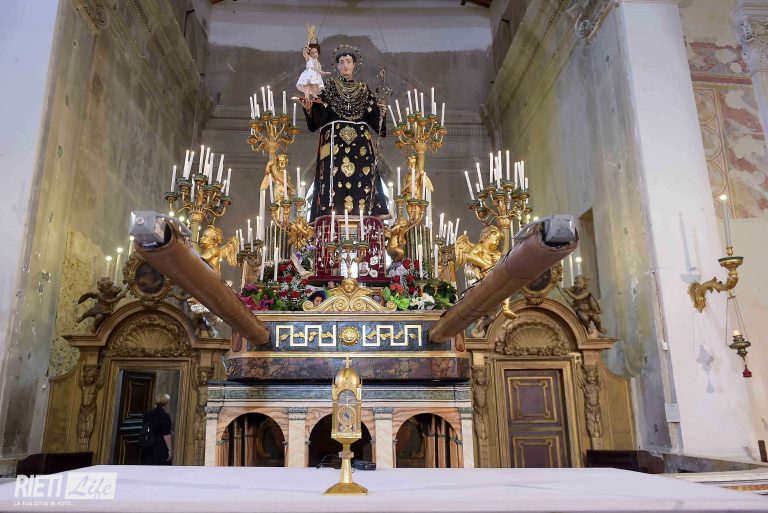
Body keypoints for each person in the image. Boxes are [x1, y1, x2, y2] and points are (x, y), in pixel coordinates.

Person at [299, 46, 389, 222]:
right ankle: (330, 212)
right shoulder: (329, 87)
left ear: (354, 64)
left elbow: (374, 119)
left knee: (363, 177)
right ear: (337, 66)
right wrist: (309, 108)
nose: (345, 65)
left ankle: (367, 213)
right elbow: (318, 115)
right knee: (334, 177)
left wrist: (381, 112)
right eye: (341, 62)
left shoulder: (364, 89)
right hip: (335, 141)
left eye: (348, 61)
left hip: (360, 143)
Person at [141, 393, 173, 465]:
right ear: (166, 403)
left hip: (148, 444)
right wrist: (170, 450)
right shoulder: (165, 416)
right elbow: (166, 434)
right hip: (160, 446)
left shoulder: (148, 414)